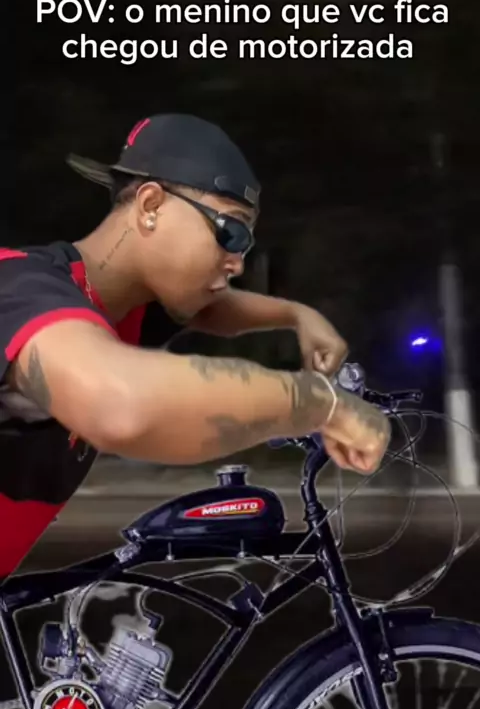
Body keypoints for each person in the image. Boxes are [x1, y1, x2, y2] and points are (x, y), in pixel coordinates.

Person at [0, 114, 390, 582]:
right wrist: (321, 404)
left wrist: (296, 315)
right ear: (151, 205)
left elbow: (211, 308)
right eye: (231, 231)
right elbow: (122, 405)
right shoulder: (18, 286)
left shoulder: (124, 309)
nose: (237, 263)